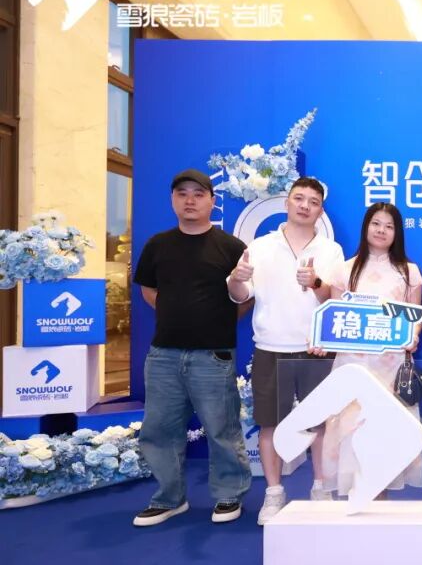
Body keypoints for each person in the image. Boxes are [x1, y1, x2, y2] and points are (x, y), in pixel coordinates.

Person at [132, 169, 250, 526]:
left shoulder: (231, 247)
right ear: (172, 200)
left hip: (213, 354)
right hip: (163, 354)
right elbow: (149, 291)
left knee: (222, 429)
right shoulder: (157, 245)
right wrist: (175, 313)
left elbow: (245, 298)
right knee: (159, 430)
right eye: (182, 193)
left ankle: (229, 495)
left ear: (212, 201)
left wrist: (214, 320)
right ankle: (169, 498)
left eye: (198, 194)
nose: (190, 200)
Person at [225, 177, 344, 524]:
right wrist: (236, 278)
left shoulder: (331, 250)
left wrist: (316, 283)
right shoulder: (260, 246)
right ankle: (274, 493)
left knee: (320, 425)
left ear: (320, 210)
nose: (305, 206)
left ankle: (321, 488)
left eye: (313, 202)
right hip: (270, 348)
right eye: (299, 198)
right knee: (270, 425)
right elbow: (239, 295)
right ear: (287, 202)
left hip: (315, 350)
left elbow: (335, 300)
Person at [317, 202, 422, 500]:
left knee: (383, 437)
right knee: (351, 433)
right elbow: (335, 319)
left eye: (389, 226)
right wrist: (322, 340)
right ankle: (355, 503)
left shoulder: (409, 272)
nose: (381, 230)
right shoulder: (345, 270)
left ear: (397, 233)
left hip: (390, 369)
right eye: (376, 223)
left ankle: (378, 505)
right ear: (366, 227)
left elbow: (414, 317)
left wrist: (413, 337)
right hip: (351, 367)